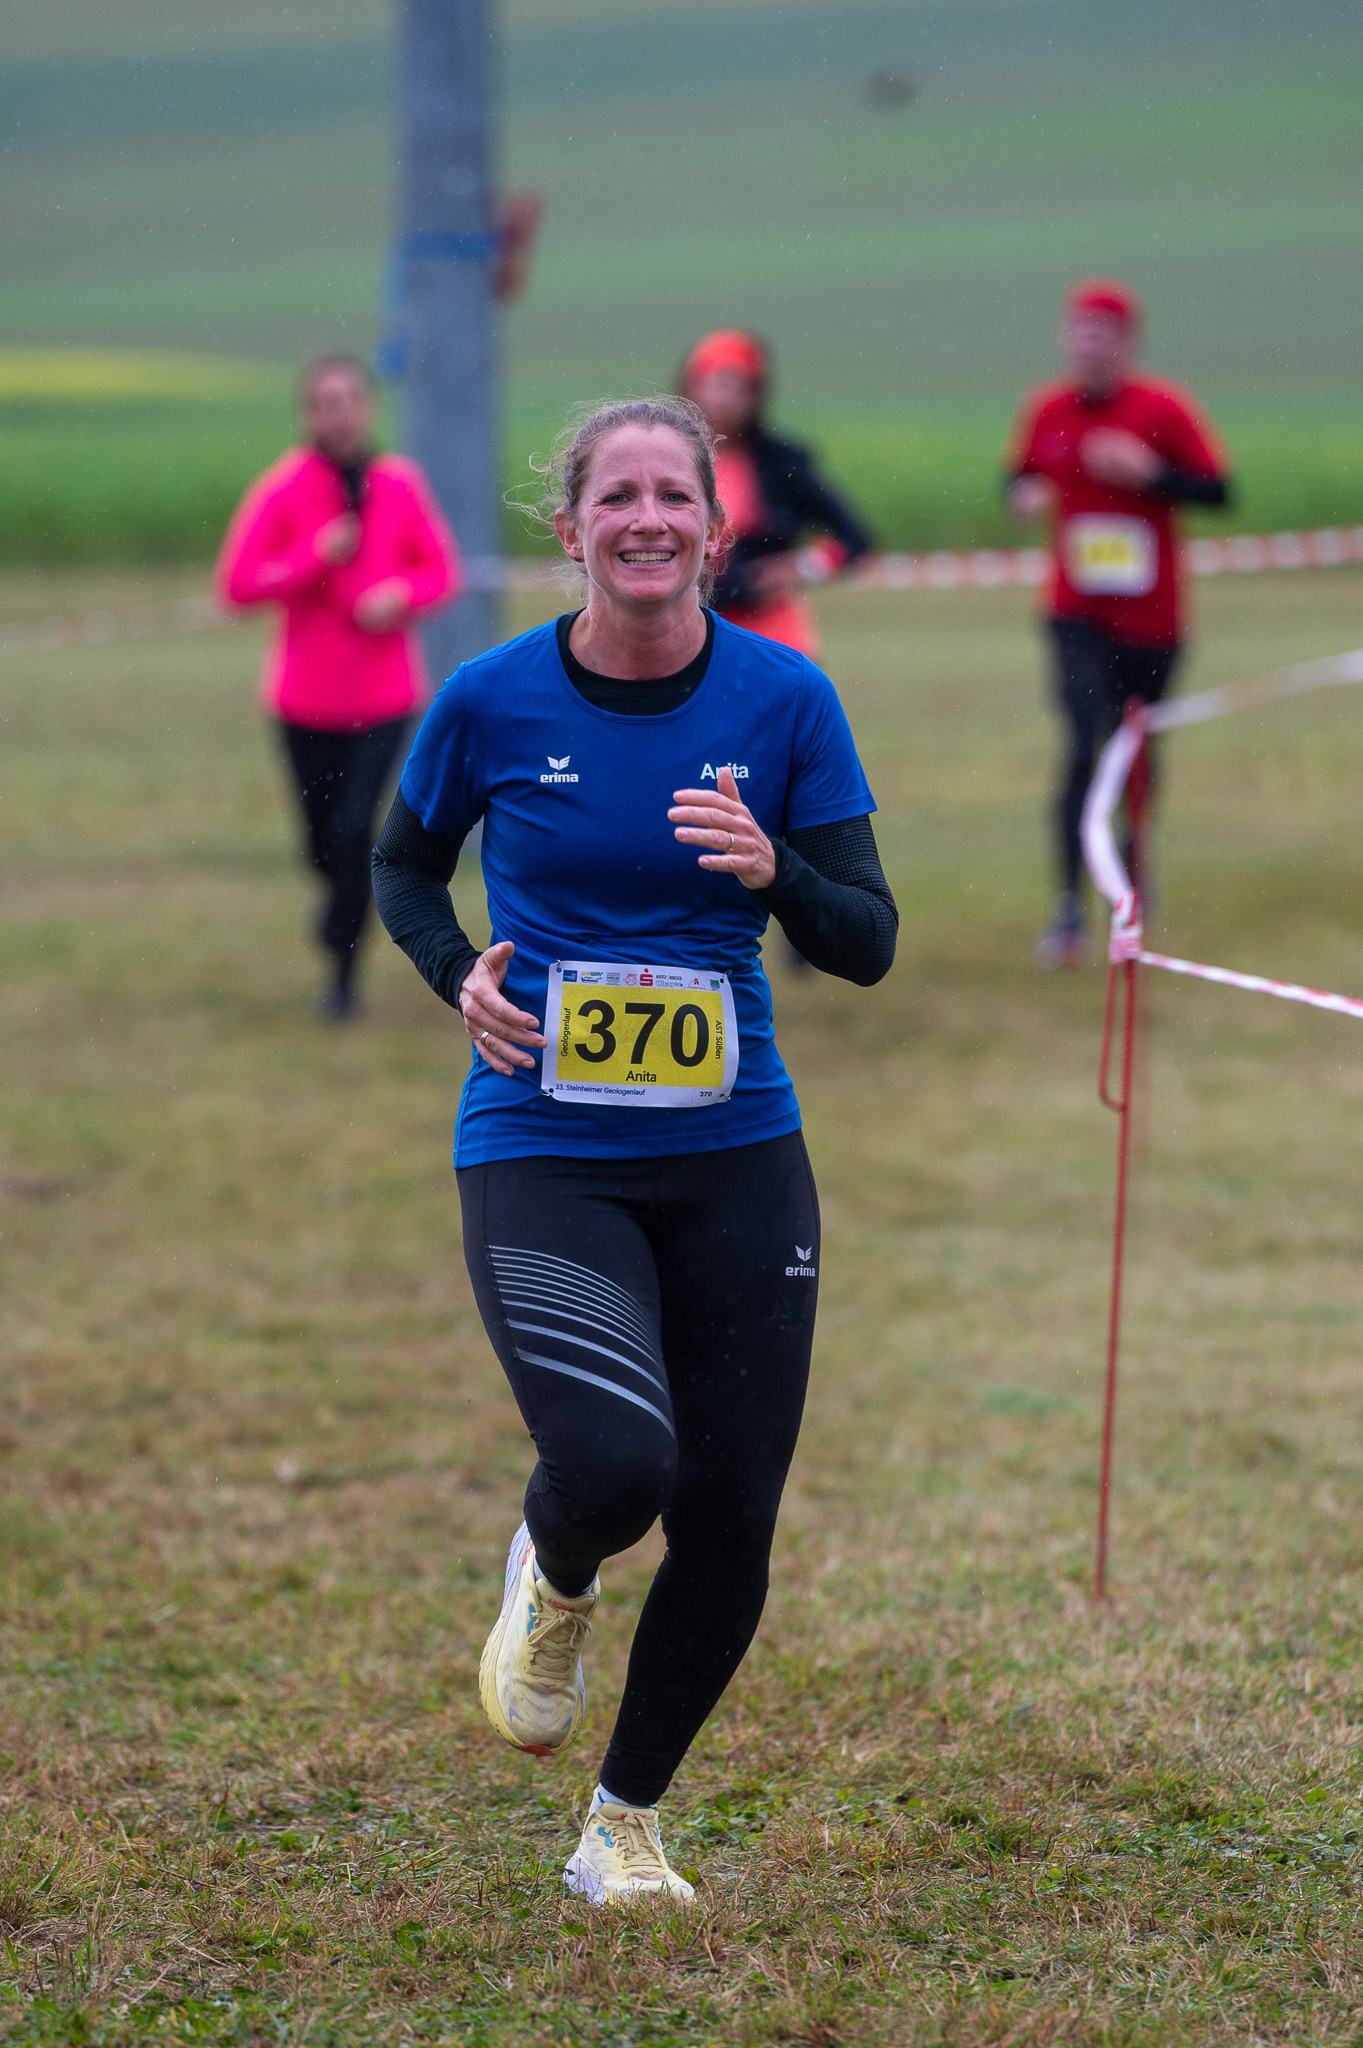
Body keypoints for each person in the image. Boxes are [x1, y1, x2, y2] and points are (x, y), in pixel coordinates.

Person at [370, 397, 896, 1904]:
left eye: (676, 496)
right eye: (618, 496)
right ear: (572, 527)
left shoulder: (786, 700)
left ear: (717, 533)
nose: (647, 519)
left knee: (729, 1513)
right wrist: (457, 973)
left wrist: (775, 870)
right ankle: (554, 1568)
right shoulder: (490, 698)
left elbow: (864, 940)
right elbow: (402, 862)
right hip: (543, 1139)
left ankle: (622, 1826)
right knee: (613, 1462)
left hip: (737, 1150)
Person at [217, 354, 462, 1017]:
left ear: (369, 407)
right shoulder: (283, 489)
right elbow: (237, 586)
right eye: (326, 402)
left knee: (356, 832)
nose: (340, 413)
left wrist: (401, 593)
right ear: (309, 413)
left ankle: (342, 978)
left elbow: (442, 572)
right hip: (303, 701)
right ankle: (337, 905)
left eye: (350, 399)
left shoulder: (400, 484)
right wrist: (312, 557)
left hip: (384, 698)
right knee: (322, 843)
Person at [1005, 280, 1231, 966]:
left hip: (1152, 620)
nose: (1091, 346)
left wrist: (1151, 474)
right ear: (1065, 340)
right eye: (1080, 332)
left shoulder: (1163, 408)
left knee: (1135, 750)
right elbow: (1016, 475)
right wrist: (1024, 492)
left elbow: (1219, 491)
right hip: (1075, 612)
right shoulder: (1046, 409)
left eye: (1104, 335)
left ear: (1126, 344)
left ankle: (1130, 878)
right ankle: (1068, 905)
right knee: (1082, 743)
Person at [680, 329, 871, 661]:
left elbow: (855, 536)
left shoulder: (781, 463)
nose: (724, 398)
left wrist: (798, 567)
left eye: (738, 387)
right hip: (689, 630)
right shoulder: (669, 458)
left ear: (756, 395)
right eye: (715, 384)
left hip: (770, 632)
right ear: (692, 388)